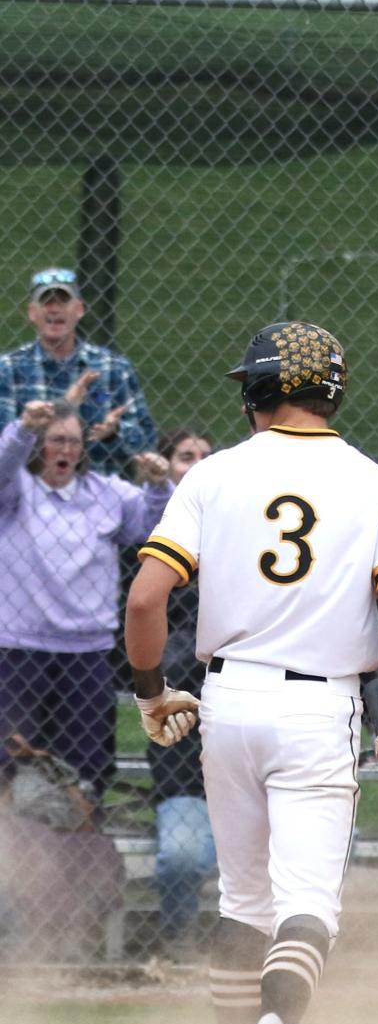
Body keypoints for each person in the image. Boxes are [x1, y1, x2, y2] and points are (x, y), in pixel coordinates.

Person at [124, 321, 378, 1024]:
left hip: (227, 699)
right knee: (308, 907)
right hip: (318, 707)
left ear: (260, 392)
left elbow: (148, 601)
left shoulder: (212, 474)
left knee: (242, 904)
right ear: (331, 391)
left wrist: (153, 695)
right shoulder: (376, 484)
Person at [0, 399, 171, 803]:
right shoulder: (15, 492)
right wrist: (22, 429)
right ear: (40, 446)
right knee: (8, 760)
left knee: (85, 765)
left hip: (87, 651)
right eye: (56, 440)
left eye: (74, 442)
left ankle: (79, 845)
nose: (66, 450)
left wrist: (159, 487)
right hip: (20, 648)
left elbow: (152, 526)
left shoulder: (104, 493)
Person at [145, 428, 217, 959]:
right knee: (182, 855)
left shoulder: (247, 540)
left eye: (204, 459)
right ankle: (178, 943)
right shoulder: (160, 549)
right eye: (185, 457)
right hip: (187, 771)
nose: (195, 466)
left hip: (257, 755)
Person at [0, 268, 157, 474]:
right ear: (32, 312)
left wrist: (115, 433)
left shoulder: (113, 368)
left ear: (79, 309)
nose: (54, 309)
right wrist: (65, 406)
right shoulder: (9, 369)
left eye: (63, 301)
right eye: (47, 302)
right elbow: (5, 447)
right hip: (30, 496)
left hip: (100, 495)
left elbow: (147, 441)